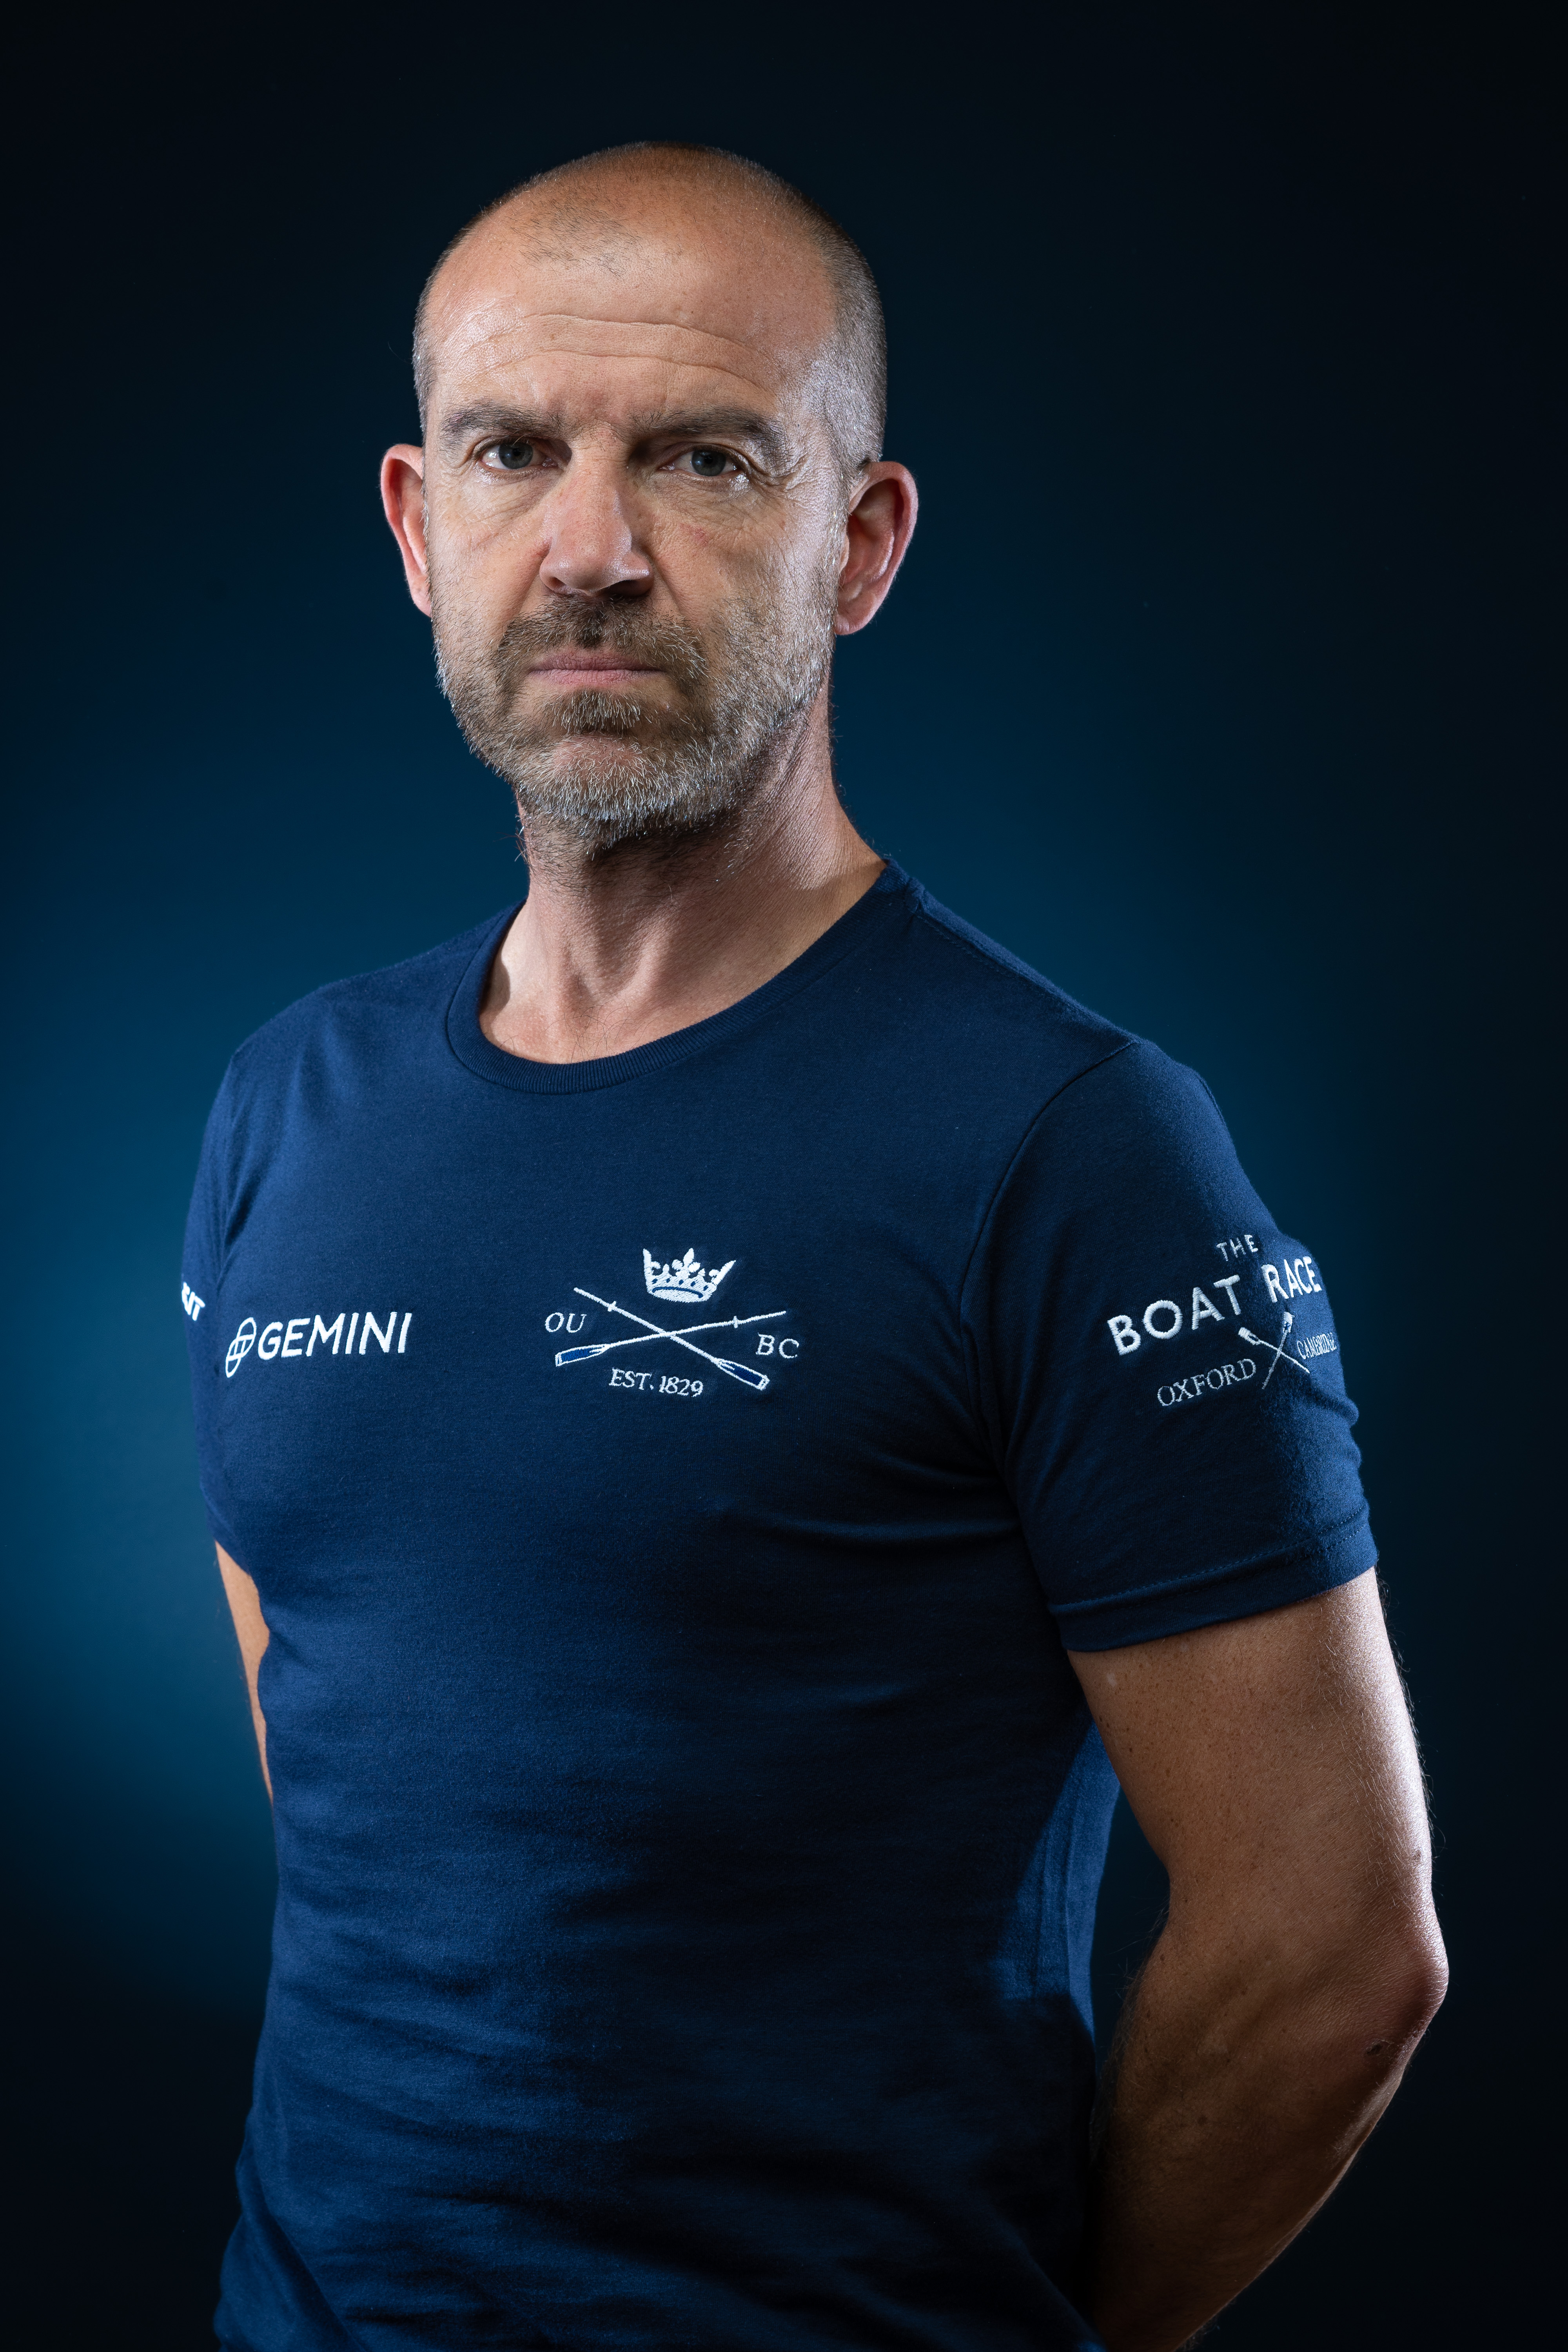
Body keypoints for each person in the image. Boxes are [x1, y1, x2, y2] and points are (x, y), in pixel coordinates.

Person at [182, 142, 1446, 2352]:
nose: (592, 549)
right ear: (418, 525)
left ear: (859, 542)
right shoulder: (287, 1102)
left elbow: (1335, 1950)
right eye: (513, 453)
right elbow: (353, 1741)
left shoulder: (1070, 1147)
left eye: (704, 459)